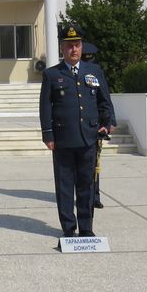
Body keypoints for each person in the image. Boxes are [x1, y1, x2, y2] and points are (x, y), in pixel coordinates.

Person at [39, 25, 115, 238]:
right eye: (69, 45)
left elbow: (104, 101)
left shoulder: (94, 71)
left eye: (77, 45)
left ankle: (86, 226)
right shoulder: (52, 74)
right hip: (63, 139)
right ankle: (69, 228)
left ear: (82, 47)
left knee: (86, 185)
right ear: (62, 48)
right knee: (64, 186)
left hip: (89, 137)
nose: (74, 49)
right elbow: (46, 107)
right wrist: (48, 134)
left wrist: (107, 122)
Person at [82, 41, 116, 210]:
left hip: (96, 123)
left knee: (95, 163)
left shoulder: (96, 71)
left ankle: (95, 196)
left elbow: (105, 97)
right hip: (83, 124)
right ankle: (88, 194)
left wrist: (110, 121)